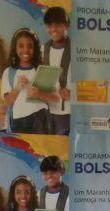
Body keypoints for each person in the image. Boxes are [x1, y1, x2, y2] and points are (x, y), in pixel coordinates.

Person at [2, 28, 50, 134]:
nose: (25, 50)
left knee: (39, 150)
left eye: (30, 46)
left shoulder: (41, 70)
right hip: (18, 121)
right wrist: (18, 87)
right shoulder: (9, 72)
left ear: (35, 48)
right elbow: (6, 103)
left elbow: (53, 98)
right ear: (15, 48)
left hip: (40, 119)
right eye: (21, 46)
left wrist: (39, 94)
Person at [42, 7, 72, 135]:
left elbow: (91, 79)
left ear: (66, 25)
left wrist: (73, 92)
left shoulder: (77, 49)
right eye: (50, 25)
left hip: (69, 112)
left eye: (58, 25)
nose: (53, 29)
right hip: (46, 112)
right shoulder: (43, 49)